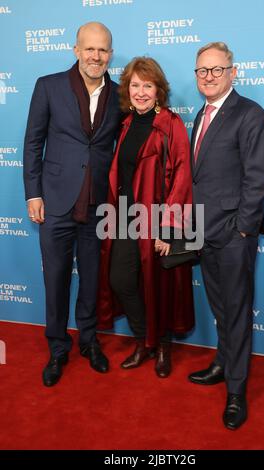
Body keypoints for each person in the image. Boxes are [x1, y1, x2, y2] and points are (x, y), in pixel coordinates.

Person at [23, 22, 121, 387]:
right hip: (55, 202)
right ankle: (58, 347)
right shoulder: (48, 86)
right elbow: (33, 143)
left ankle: (89, 341)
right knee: (56, 279)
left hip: (98, 206)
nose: (96, 56)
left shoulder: (119, 93)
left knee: (93, 280)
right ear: (76, 50)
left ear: (110, 54)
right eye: (90, 49)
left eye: (103, 50)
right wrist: (34, 193)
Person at [188, 42, 264, 429]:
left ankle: (237, 391)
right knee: (222, 308)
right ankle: (223, 363)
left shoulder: (251, 115)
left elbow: (258, 179)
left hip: (233, 235)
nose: (209, 77)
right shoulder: (199, 115)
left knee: (237, 312)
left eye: (216, 70)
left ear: (233, 72)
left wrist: (242, 228)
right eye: (202, 71)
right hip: (203, 232)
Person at [97, 57, 195, 378]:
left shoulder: (170, 123)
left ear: (158, 90)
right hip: (125, 216)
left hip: (157, 219)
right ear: (128, 88)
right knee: (121, 280)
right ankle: (144, 340)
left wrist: (168, 228)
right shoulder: (125, 124)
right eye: (135, 85)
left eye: (147, 85)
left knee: (160, 283)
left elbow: (181, 176)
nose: (140, 92)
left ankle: (163, 344)